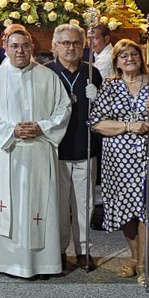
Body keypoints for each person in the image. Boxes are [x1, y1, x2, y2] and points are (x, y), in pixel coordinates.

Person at [0, 25, 70, 279]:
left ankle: (44, 263)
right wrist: (12, 131)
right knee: (10, 205)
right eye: (14, 46)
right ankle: (9, 262)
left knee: (41, 203)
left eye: (25, 46)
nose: (20, 51)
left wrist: (42, 127)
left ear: (32, 47)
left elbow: (63, 110)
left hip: (40, 151)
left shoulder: (48, 77)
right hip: (11, 153)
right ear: (5, 48)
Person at [88, 38, 149, 287]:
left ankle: (144, 264)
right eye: (123, 56)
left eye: (134, 55)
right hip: (118, 162)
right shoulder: (110, 87)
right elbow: (96, 123)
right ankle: (134, 257)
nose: (129, 59)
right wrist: (128, 126)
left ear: (142, 58)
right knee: (126, 211)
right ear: (116, 62)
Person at [49, 23, 103, 271]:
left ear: (83, 46)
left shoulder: (93, 74)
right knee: (59, 205)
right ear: (55, 46)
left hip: (85, 148)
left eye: (76, 43)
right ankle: (59, 251)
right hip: (56, 150)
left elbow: (103, 112)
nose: (71, 47)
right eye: (65, 43)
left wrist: (97, 98)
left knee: (85, 203)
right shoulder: (47, 73)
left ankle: (83, 250)